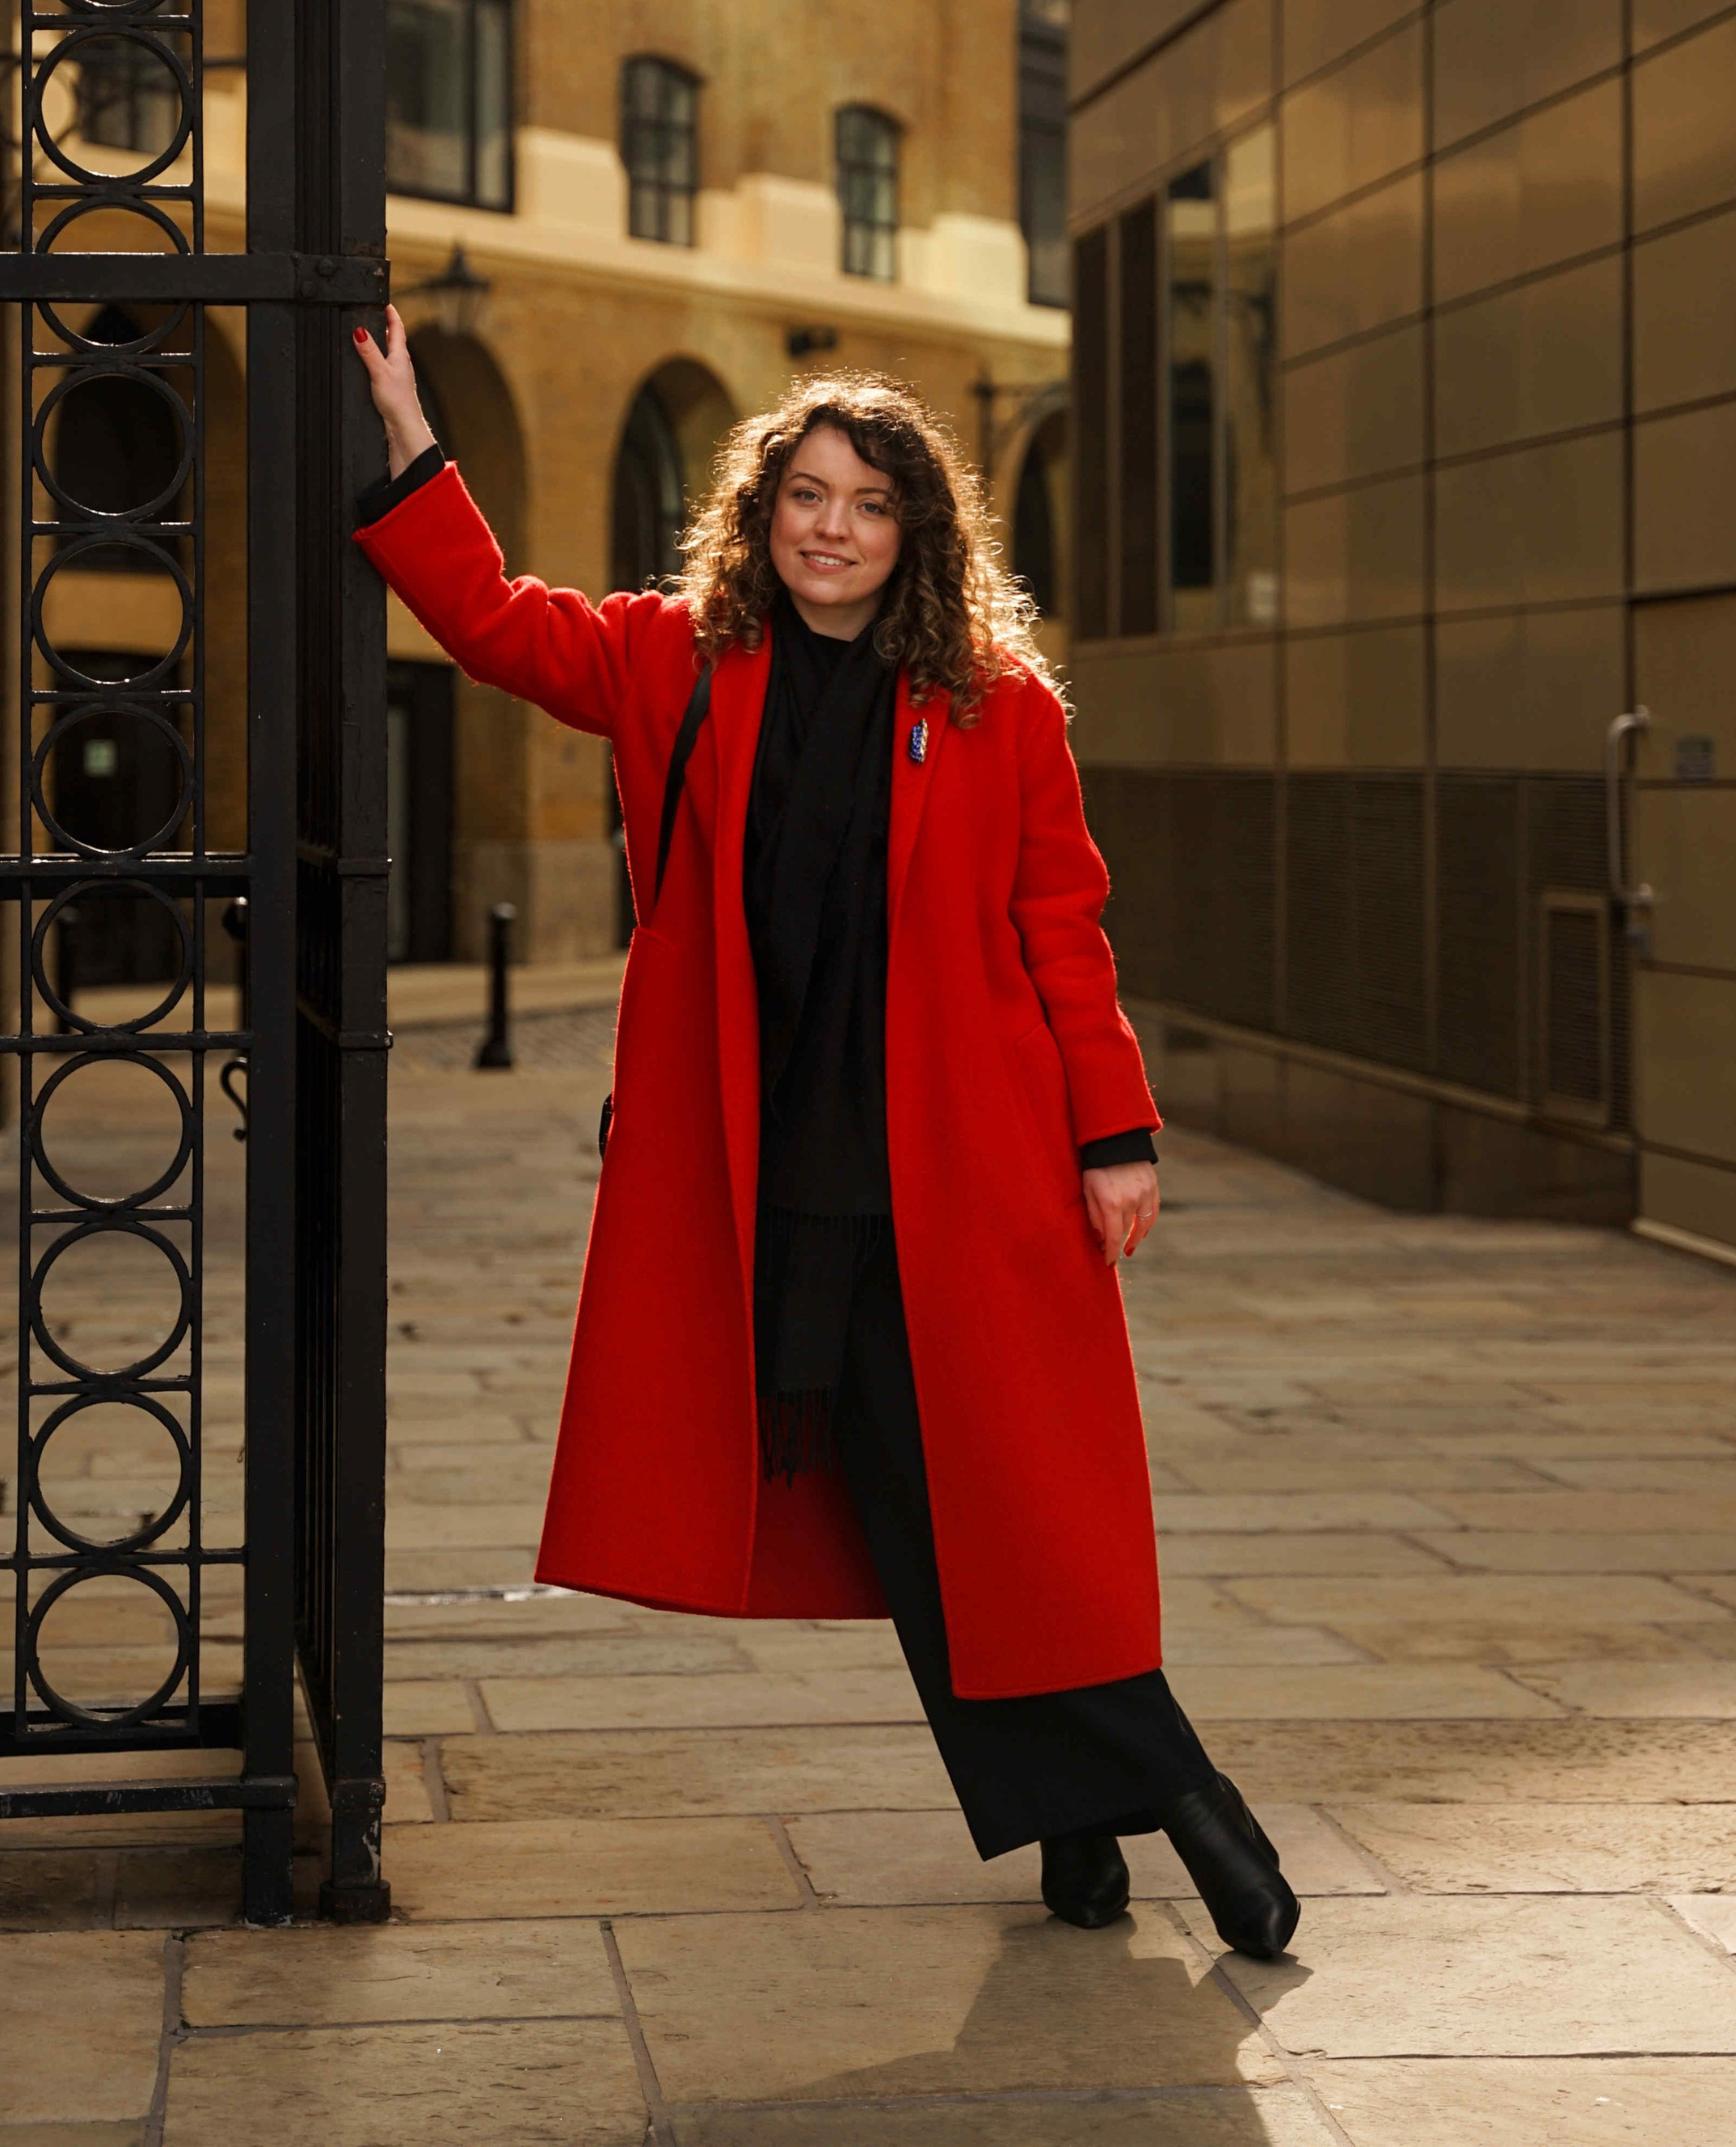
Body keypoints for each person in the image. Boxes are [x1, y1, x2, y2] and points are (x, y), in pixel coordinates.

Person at [350, 313, 1299, 1961]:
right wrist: (407, 436)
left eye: (867, 502)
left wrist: (1113, 1131)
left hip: (970, 1173)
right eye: (805, 495)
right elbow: (491, 624)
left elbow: (1062, 931)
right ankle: (1086, 1819)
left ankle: (1180, 1795)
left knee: (995, 1507)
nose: (831, 528)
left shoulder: (999, 706)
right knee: (923, 1514)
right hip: (777, 1181)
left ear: (914, 531)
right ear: (760, 510)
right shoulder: (672, 660)